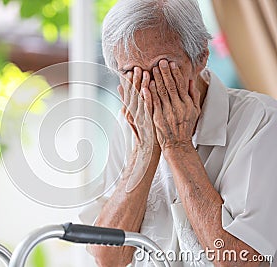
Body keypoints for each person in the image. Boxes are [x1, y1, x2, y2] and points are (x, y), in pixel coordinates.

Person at [79, 0, 277, 266]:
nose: (148, 89)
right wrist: (144, 151)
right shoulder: (130, 123)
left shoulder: (261, 121)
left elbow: (242, 261)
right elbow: (108, 257)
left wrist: (178, 146)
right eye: (131, 74)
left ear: (201, 58)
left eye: (163, 68)